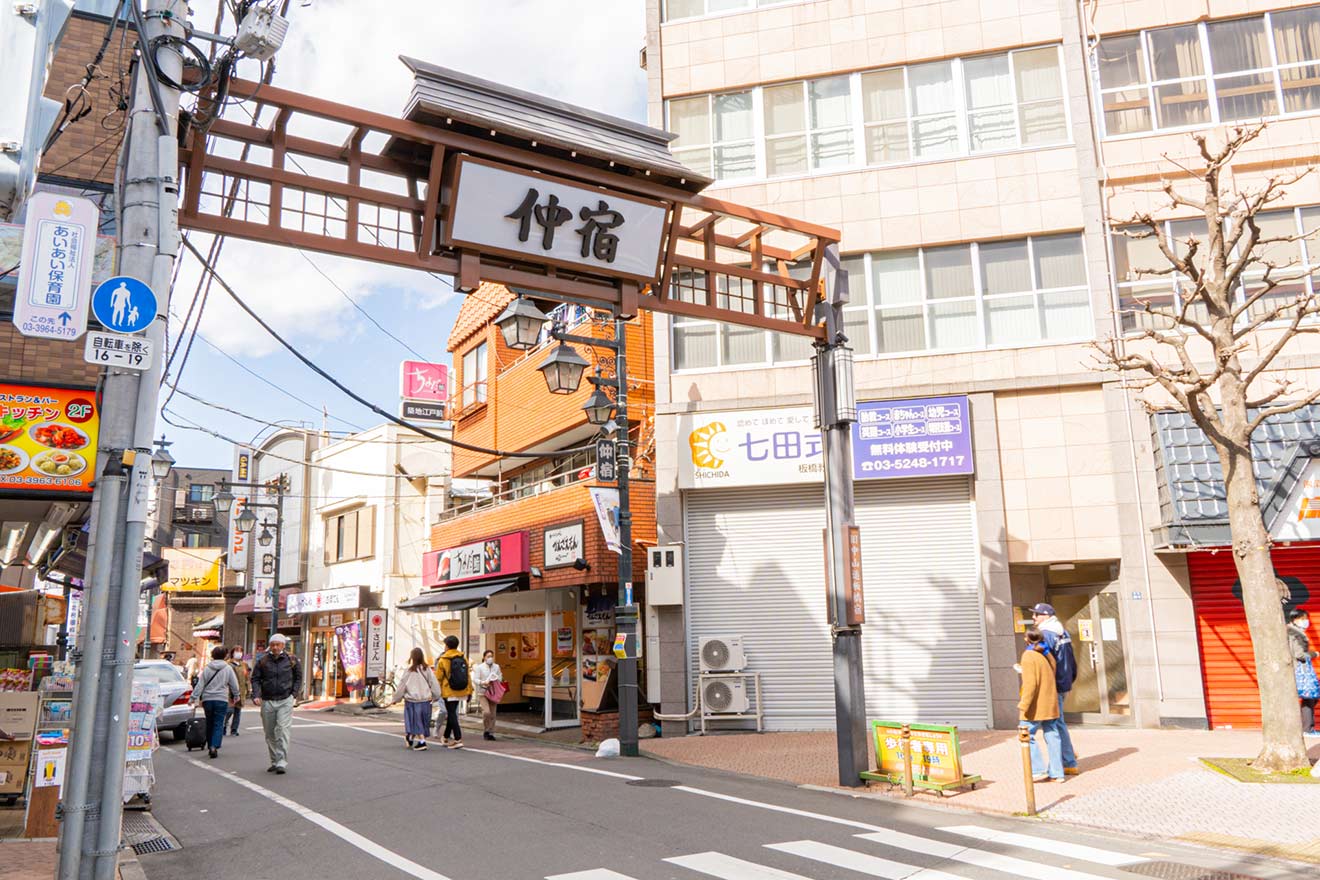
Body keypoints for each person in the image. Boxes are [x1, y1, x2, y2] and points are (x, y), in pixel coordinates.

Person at [1031, 603, 1079, 776]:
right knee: (1059, 723)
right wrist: (1070, 678)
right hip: (1063, 682)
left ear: (1046, 616)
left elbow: (1045, 663)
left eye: (1037, 614)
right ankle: (1068, 761)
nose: (1034, 618)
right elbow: (1070, 658)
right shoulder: (1062, 632)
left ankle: (1065, 763)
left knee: (1054, 725)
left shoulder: (1046, 635)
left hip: (1053, 685)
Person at [251, 633, 302, 774]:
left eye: (278, 644)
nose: (275, 647)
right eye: (272, 644)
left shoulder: (292, 660)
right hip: (267, 700)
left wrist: (294, 694)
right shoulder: (263, 661)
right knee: (269, 733)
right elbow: (255, 679)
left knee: (282, 730)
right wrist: (256, 695)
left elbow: (298, 678)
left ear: (283, 645)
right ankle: (274, 760)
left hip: (285, 699)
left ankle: (281, 762)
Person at [1018, 627, 1064, 783]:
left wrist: (1023, 705)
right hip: (1050, 702)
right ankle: (1057, 773)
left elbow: (1030, 684)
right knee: (1052, 735)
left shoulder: (1028, 656)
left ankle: (1037, 770)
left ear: (1026, 639)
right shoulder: (1045, 654)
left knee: (1026, 735)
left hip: (1036, 705)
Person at [190, 645, 239, 759]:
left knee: (210, 722)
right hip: (221, 699)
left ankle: (209, 744)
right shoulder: (227, 668)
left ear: (213, 655)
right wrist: (236, 695)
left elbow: (200, 684)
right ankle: (214, 746)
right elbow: (234, 684)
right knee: (218, 723)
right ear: (225, 656)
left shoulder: (207, 668)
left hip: (207, 699)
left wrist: (193, 697)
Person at [388, 648, 442, 750]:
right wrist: (436, 696)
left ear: (412, 657)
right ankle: (410, 737)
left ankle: (422, 742)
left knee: (414, 721)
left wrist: (396, 698)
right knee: (422, 721)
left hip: (412, 701)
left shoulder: (409, 671)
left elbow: (402, 686)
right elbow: (434, 684)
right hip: (426, 701)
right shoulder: (428, 670)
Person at [435, 635, 472, 749]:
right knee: (452, 713)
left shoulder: (443, 659)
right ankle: (445, 737)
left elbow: (438, 678)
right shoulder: (463, 657)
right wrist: (470, 691)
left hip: (449, 691)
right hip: (461, 690)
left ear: (447, 646)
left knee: (452, 714)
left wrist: (435, 692)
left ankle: (458, 738)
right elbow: (468, 676)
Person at [1288, 607, 1319, 736]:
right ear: (1295, 619)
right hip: (1300, 670)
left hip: (1300, 669)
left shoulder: (1293, 631)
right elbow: (1299, 655)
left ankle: (1306, 727)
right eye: (1302, 619)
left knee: (1310, 698)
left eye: (1306, 619)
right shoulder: (1295, 633)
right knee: (1309, 698)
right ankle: (1307, 728)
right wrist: (1314, 654)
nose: (1305, 621)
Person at [472, 649, 503, 741]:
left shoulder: (496, 667)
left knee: (493, 714)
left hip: (493, 692)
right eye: (488, 656)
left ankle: (491, 732)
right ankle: (486, 730)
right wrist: (483, 682)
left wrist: (496, 679)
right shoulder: (480, 667)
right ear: (484, 657)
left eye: (491, 656)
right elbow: (475, 679)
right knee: (487, 712)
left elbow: (500, 677)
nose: (490, 658)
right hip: (483, 692)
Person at [226, 646, 251, 736]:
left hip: (241, 691)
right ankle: (224, 725)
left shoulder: (244, 664)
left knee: (238, 711)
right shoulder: (228, 664)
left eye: (241, 651)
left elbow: (247, 677)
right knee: (229, 710)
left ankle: (234, 730)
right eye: (237, 651)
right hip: (230, 691)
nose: (239, 653)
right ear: (232, 652)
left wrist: (248, 688)